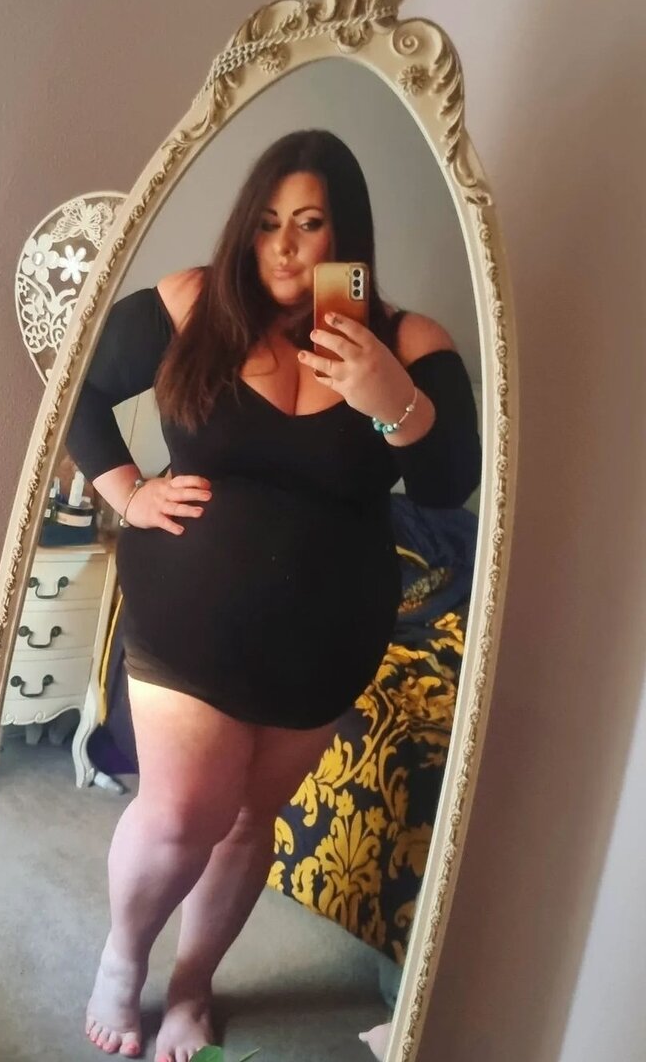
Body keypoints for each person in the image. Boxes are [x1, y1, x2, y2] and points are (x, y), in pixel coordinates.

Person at [66, 129, 480, 1062]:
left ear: (346, 233)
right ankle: (122, 961)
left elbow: (447, 483)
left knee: (252, 821)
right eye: (265, 224)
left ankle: (192, 984)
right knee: (182, 814)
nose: (285, 247)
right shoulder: (191, 305)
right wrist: (127, 492)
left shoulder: (409, 342)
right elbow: (79, 390)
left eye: (309, 223)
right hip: (189, 624)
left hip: (326, 639)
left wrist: (393, 397)